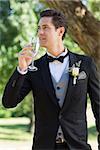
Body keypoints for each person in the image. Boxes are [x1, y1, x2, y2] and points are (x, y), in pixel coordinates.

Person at [2, 9, 100, 150]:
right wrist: (21, 69)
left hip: (77, 147)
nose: (40, 32)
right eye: (39, 28)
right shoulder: (34, 68)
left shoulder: (86, 64)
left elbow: (98, 107)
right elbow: (8, 102)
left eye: (45, 28)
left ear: (60, 32)